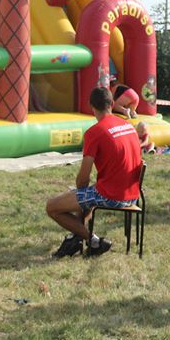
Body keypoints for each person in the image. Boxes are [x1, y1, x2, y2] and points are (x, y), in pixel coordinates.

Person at [46, 87, 141, 258]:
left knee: (52, 207)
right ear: (112, 104)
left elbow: (83, 179)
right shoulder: (127, 126)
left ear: (91, 106)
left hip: (111, 196)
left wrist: (77, 191)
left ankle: (94, 241)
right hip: (133, 194)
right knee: (86, 196)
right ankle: (77, 238)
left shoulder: (94, 133)